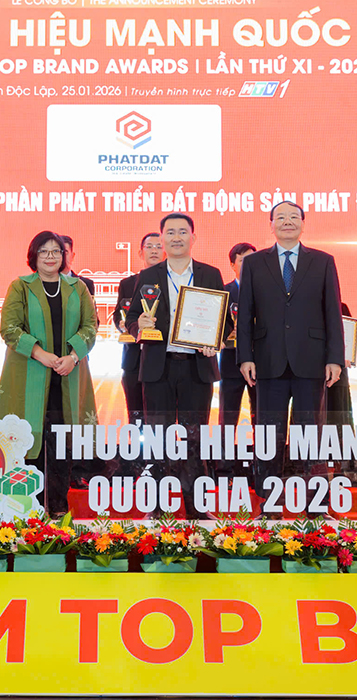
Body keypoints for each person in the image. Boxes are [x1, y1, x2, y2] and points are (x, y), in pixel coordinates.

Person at [237, 201, 344, 482]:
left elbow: (333, 312)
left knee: (311, 434)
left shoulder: (323, 261)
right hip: (268, 360)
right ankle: (269, 498)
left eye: (294, 217)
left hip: (311, 360)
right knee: (269, 434)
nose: (287, 222)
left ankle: (315, 499)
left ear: (302, 224)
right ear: (271, 225)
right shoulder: (254, 263)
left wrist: (335, 358)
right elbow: (245, 314)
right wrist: (245, 357)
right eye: (281, 217)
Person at [0, 231, 98, 515]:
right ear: (34, 255)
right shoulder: (20, 286)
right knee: (29, 441)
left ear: (64, 256)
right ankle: (30, 508)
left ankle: (59, 507)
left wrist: (73, 357)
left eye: (56, 251)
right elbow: (9, 328)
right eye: (44, 251)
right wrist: (42, 354)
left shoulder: (78, 287)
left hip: (68, 376)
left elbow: (90, 326)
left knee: (62, 443)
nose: (50, 257)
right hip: (29, 376)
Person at [126, 213, 225, 512]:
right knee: (158, 437)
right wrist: (139, 325)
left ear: (193, 238)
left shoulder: (210, 274)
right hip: (159, 367)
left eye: (183, 232)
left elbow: (224, 319)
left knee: (196, 437)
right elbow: (132, 318)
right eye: (170, 232)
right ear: (162, 239)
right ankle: (157, 507)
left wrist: (216, 339)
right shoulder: (149, 276)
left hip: (197, 367)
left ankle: (197, 508)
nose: (177, 237)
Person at [115, 232, 164, 424]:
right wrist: (124, 326)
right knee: (135, 415)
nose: (154, 251)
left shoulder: (172, 283)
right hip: (133, 359)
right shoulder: (127, 283)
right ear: (140, 253)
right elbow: (119, 314)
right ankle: (137, 443)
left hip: (163, 360)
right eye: (149, 247)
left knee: (162, 416)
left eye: (159, 247)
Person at [219, 242, 257, 429]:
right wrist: (226, 332)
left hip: (261, 361)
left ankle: (262, 449)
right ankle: (224, 449)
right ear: (232, 265)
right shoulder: (223, 292)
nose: (248, 264)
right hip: (230, 361)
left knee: (261, 415)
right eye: (243, 260)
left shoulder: (268, 292)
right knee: (228, 415)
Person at [59, 234, 99, 327]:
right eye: (58, 252)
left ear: (72, 256)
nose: (62, 257)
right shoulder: (40, 283)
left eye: (65, 252)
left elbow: (93, 322)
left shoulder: (85, 284)